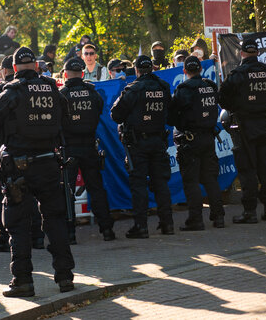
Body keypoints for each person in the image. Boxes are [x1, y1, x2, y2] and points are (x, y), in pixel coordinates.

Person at [0, 47, 75, 297]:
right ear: (35, 66)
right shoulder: (52, 89)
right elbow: (65, 122)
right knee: (55, 220)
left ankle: (22, 281)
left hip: (19, 166)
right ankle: (65, 277)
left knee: (18, 225)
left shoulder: (11, 91)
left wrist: (10, 142)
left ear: (14, 69)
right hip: (48, 162)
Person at [0, 56, 45, 252]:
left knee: (7, 197)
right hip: (37, 151)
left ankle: (8, 239)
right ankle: (38, 237)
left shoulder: (1, 92)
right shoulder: (38, 87)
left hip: (8, 154)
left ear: (7, 71)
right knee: (31, 196)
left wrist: (2, 136)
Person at [110, 55, 174, 238]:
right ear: (152, 69)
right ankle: (167, 224)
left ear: (137, 70)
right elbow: (171, 114)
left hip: (138, 143)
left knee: (139, 185)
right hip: (158, 141)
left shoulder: (134, 89)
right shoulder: (163, 87)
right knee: (161, 183)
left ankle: (141, 226)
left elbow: (115, 114)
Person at [219, 39, 266, 223]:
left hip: (244, 126)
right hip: (263, 123)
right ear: (257, 52)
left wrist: (236, 107)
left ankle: (250, 212)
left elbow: (222, 98)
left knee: (247, 169)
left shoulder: (237, 74)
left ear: (241, 53)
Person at [60, 57, 116, 242]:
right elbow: (99, 111)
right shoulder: (92, 93)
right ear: (83, 73)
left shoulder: (62, 95)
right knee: (97, 189)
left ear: (66, 74)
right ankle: (107, 230)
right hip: (89, 147)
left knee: (67, 192)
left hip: (69, 149)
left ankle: (69, 233)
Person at [169, 56, 225, 230]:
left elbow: (171, 117)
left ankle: (196, 219)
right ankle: (219, 217)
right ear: (200, 69)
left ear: (184, 71)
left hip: (190, 141)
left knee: (191, 181)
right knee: (210, 179)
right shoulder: (210, 86)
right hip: (208, 138)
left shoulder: (183, 89)